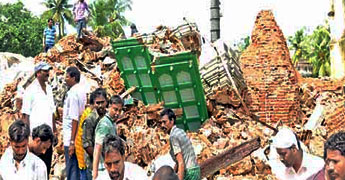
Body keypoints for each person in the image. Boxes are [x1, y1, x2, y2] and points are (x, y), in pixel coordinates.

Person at [22, 61, 55, 176]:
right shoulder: (30, 90)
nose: (47, 73)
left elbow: (52, 112)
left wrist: (54, 132)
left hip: (48, 137)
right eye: (45, 71)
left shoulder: (49, 89)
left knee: (46, 167)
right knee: (34, 170)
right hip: (37, 138)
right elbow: (25, 115)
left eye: (48, 71)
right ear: (37, 73)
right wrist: (28, 137)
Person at [76, 88, 108, 180]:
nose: (100, 105)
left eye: (102, 102)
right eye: (98, 103)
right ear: (93, 104)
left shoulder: (108, 116)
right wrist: (99, 159)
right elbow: (86, 144)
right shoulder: (90, 119)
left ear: (106, 102)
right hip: (94, 164)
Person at [160, 108, 200, 180]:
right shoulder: (180, 131)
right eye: (161, 123)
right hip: (195, 170)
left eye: (164, 122)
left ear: (172, 121)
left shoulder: (173, 136)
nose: (162, 125)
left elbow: (181, 162)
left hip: (189, 173)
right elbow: (180, 161)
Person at [63, 66, 87, 180]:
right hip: (78, 136)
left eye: (67, 77)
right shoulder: (81, 91)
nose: (65, 79)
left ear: (74, 78)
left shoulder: (73, 94)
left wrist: (71, 142)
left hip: (70, 137)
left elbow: (74, 118)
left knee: (72, 170)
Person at [92, 95, 123, 179]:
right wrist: (95, 173)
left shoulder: (111, 123)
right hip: (103, 168)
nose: (117, 113)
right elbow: (97, 148)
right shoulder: (104, 124)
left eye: (119, 110)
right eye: (115, 109)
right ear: (109, 107)